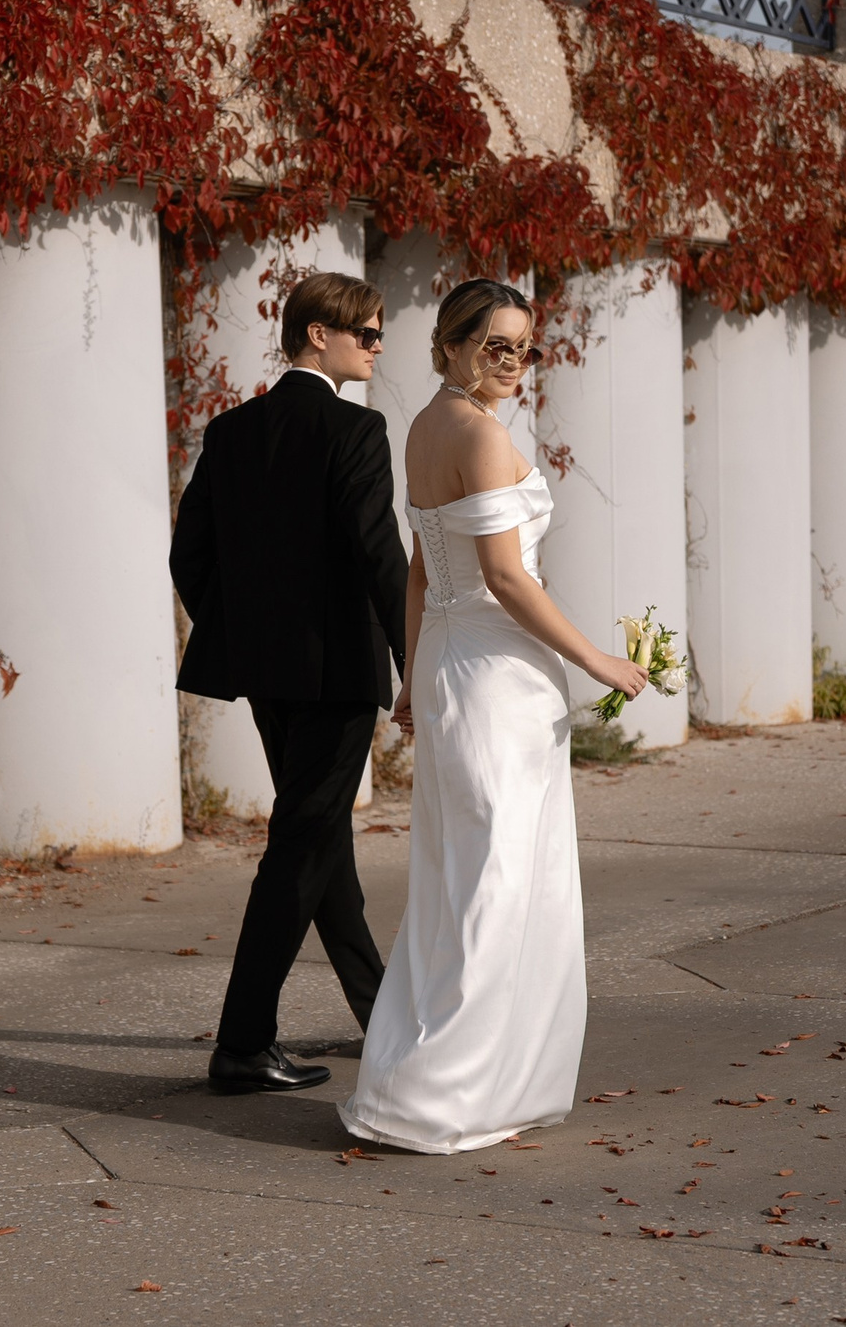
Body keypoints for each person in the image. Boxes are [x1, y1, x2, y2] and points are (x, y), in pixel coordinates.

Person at [338, 278, 651, 1154]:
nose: (512, 364)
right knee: (497, 879)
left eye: (524, 347)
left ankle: (470, 1078)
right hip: (493, 672)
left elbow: (418, 569)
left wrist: (409, 673)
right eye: (495, 346)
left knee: (462, 874)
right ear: (449, 345)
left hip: (451, 661)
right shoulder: (476, 432)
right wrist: (598, 660)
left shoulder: (424, 426)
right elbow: (506, 579)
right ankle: (444, 1092)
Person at [170, 271, 406, 1094]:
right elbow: (383, 555)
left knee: (319, 840)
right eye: (367, 335)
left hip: (267, 678)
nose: (379, 347)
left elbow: (187, 558)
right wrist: (416, 662)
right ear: (319, 336)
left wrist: (251, 637)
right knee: (300, 847)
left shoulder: (231, 431)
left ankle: (381, 1012)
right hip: (338, 677)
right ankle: (242, 1043)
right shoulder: (356, 431)